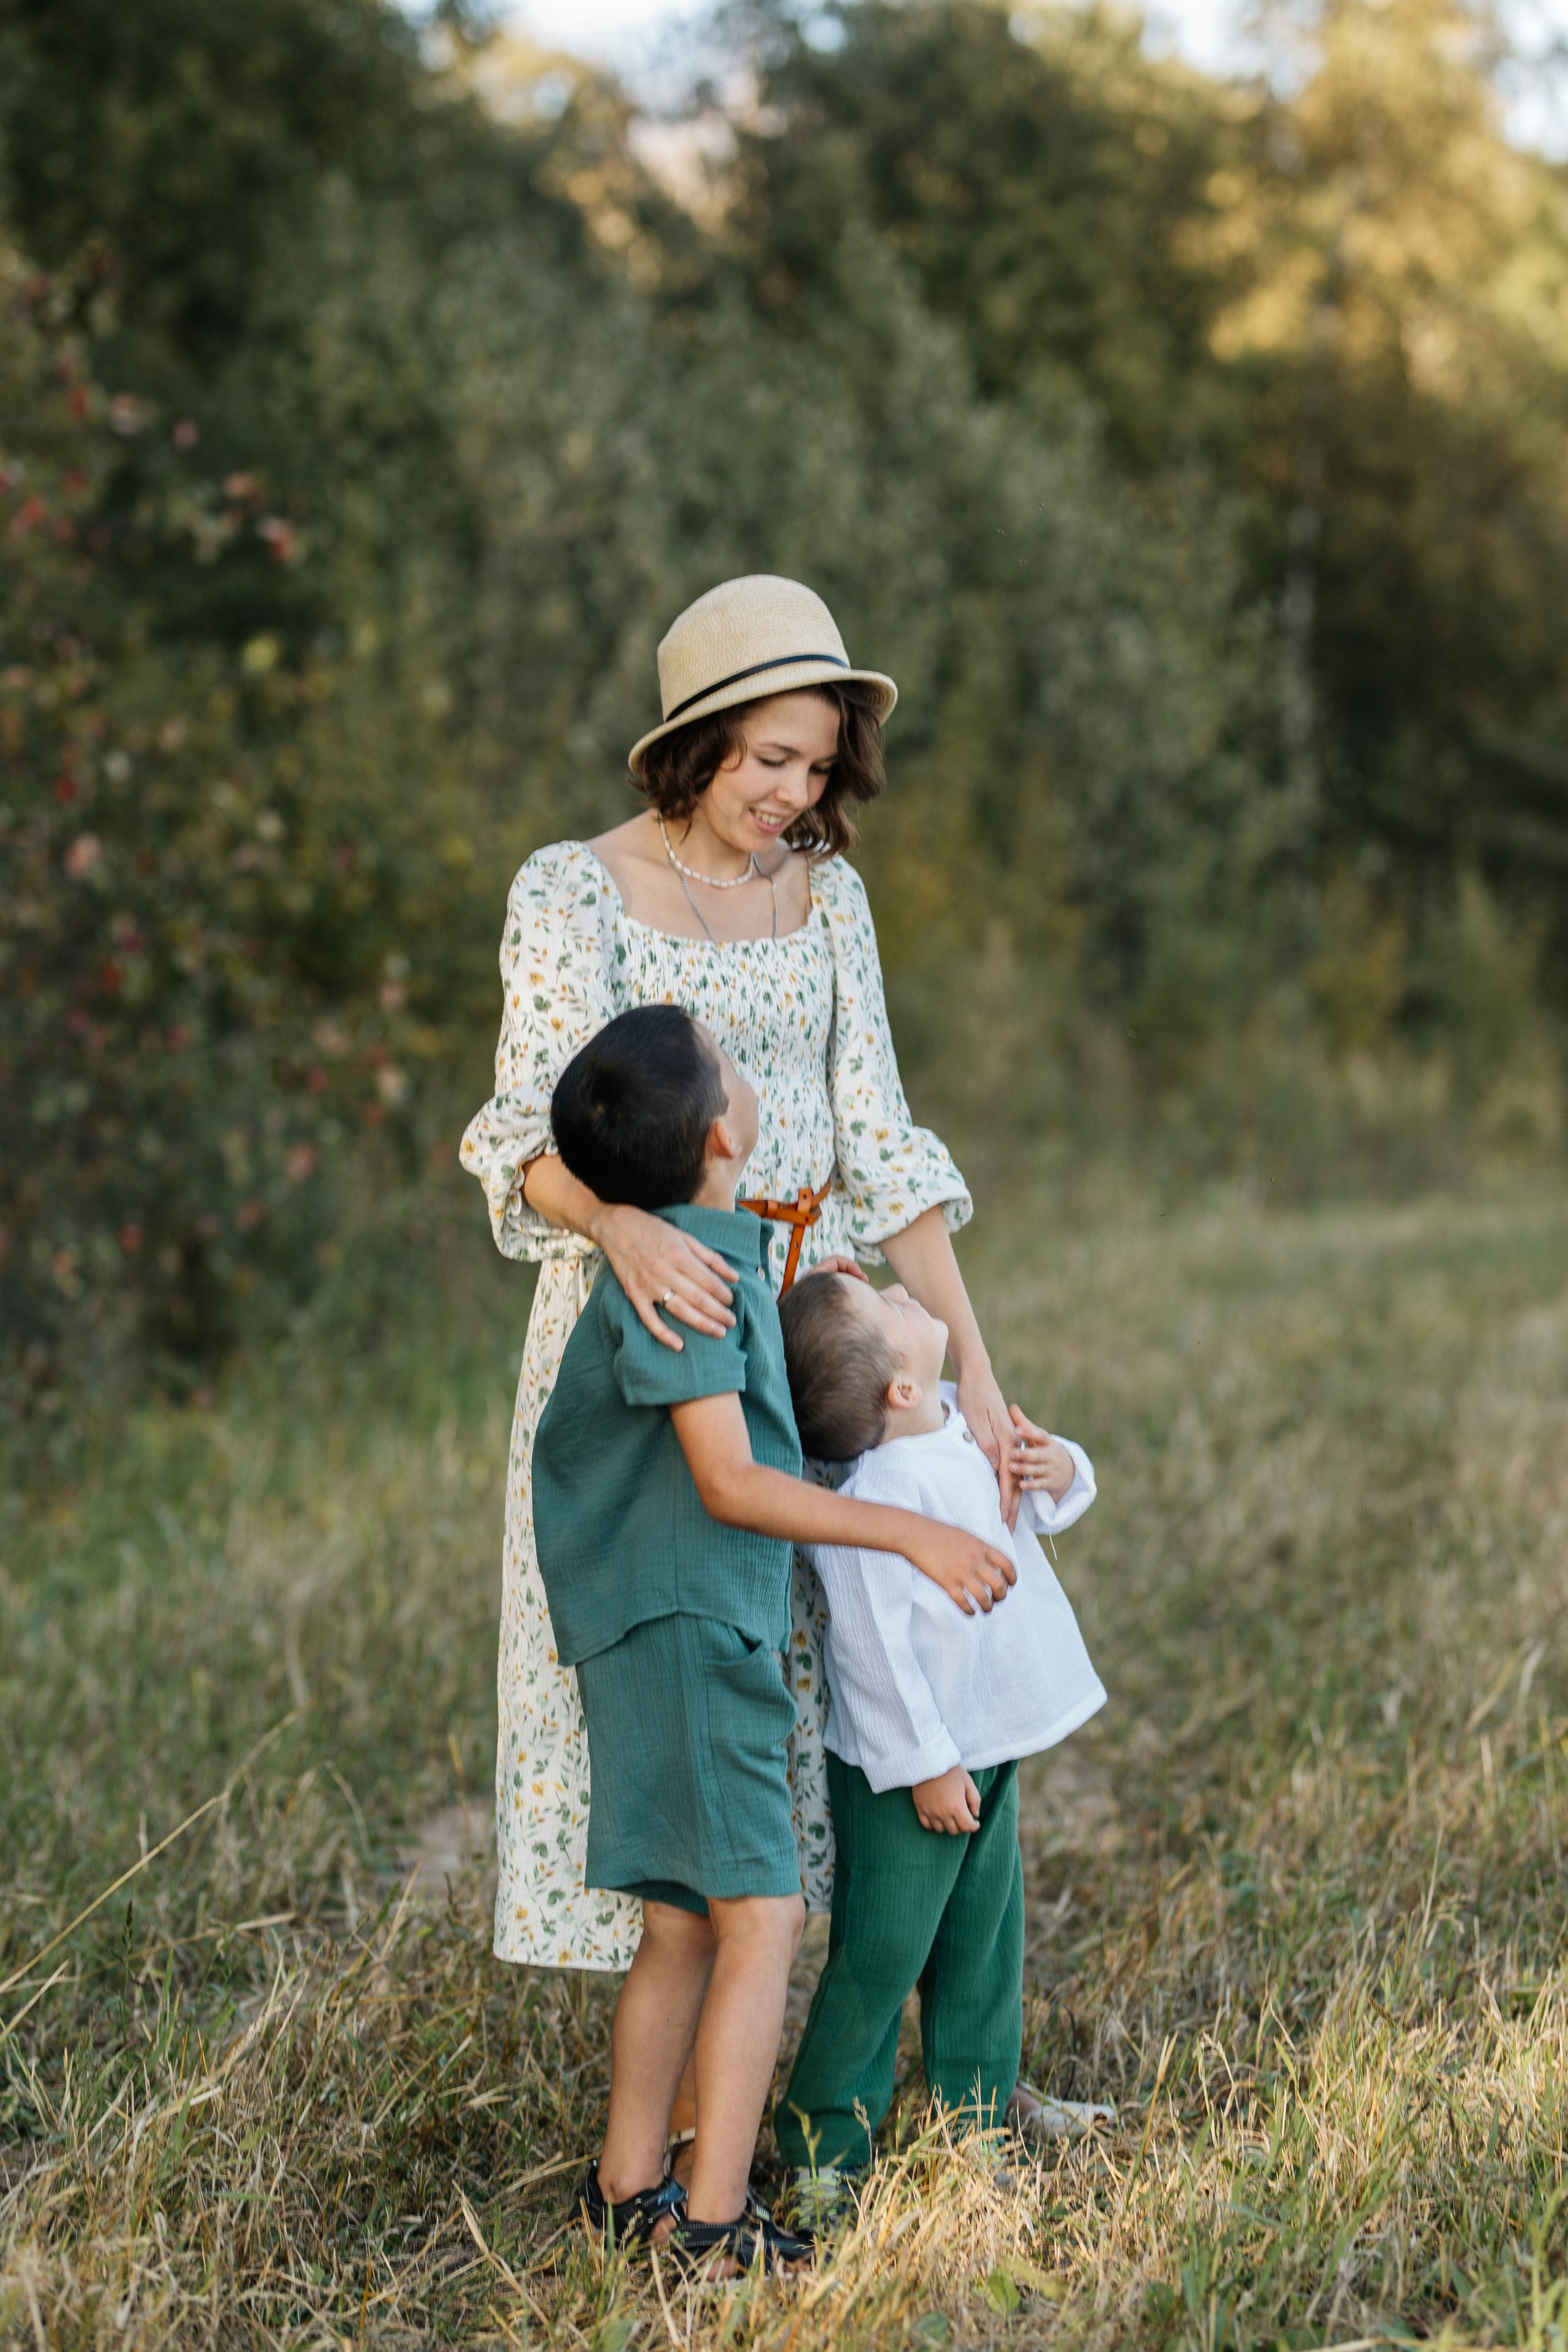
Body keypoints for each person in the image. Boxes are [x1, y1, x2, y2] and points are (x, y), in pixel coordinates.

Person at [460, 574, 1033, 2034]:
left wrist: (972, 1374)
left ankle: (894, 2041)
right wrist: (622, 1230)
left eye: (820, 768)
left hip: (822, 1332)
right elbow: (521, 1129)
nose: (795, 795)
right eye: (770, 758)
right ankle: (690, 2049)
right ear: (693, 742)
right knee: (688, 1671)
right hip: (657, 1318)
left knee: (874, 1660)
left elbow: (880, 1139)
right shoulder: (572, 888)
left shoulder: (826, 895)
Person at [531, 1006, 1019, 2273]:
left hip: (679, 1625)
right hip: (687, 1629)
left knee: (688, 1921)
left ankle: (626, 2186)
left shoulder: (703, 1259)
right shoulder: (691, 1282)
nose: (749, 1075)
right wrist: (908, 1536)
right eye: (732, 1064)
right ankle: (711, 2219)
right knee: (764, 1917)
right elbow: (730, 1481)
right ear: (721, 1133)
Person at [772, 1268, 1111, 2220]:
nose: (901, 1288)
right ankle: (823, 2145)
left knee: (984, 1938)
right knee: (883, 1954)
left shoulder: (965, 1423)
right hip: (907, 1774)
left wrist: (1061, 1469)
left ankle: (976, 2123)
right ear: (899, 1387)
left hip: (989, 1740)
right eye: (892, 1306)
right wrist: (925, 1765)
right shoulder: (876, 1501)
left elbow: (1045, 1500)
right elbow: (871, 1655)